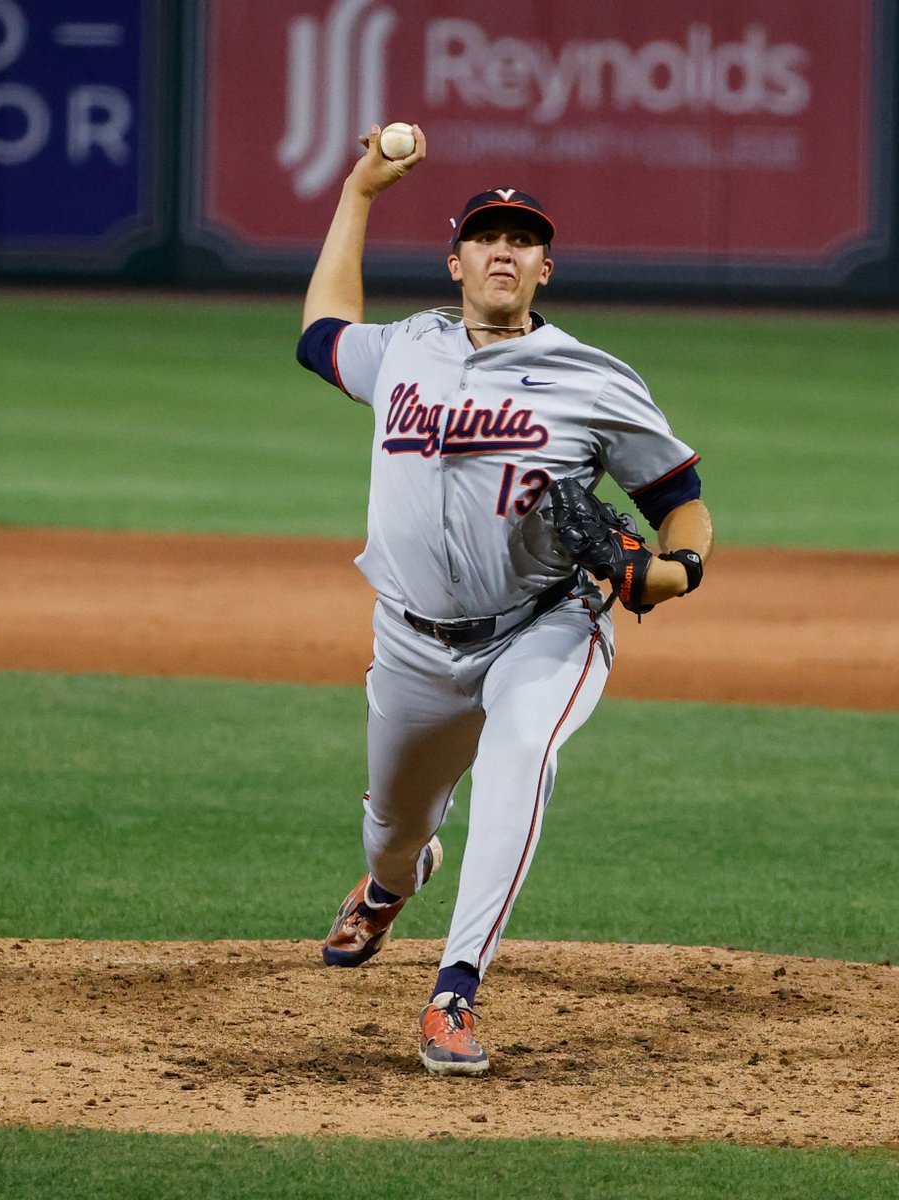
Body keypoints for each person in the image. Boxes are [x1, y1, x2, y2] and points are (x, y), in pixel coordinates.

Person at [296, 124, 713, 1076]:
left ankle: (455, 994)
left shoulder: (595, 378)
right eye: (487, 235)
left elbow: (682, 508)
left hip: (547, 625)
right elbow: (319, 331)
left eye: (521, 239)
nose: (503, 249)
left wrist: (674, 572)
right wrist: (359, 195)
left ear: (544, 268)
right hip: (410, 639)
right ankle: (395, 883)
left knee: (521, 755)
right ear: (456, 261)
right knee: (394, 830)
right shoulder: (404, 350)